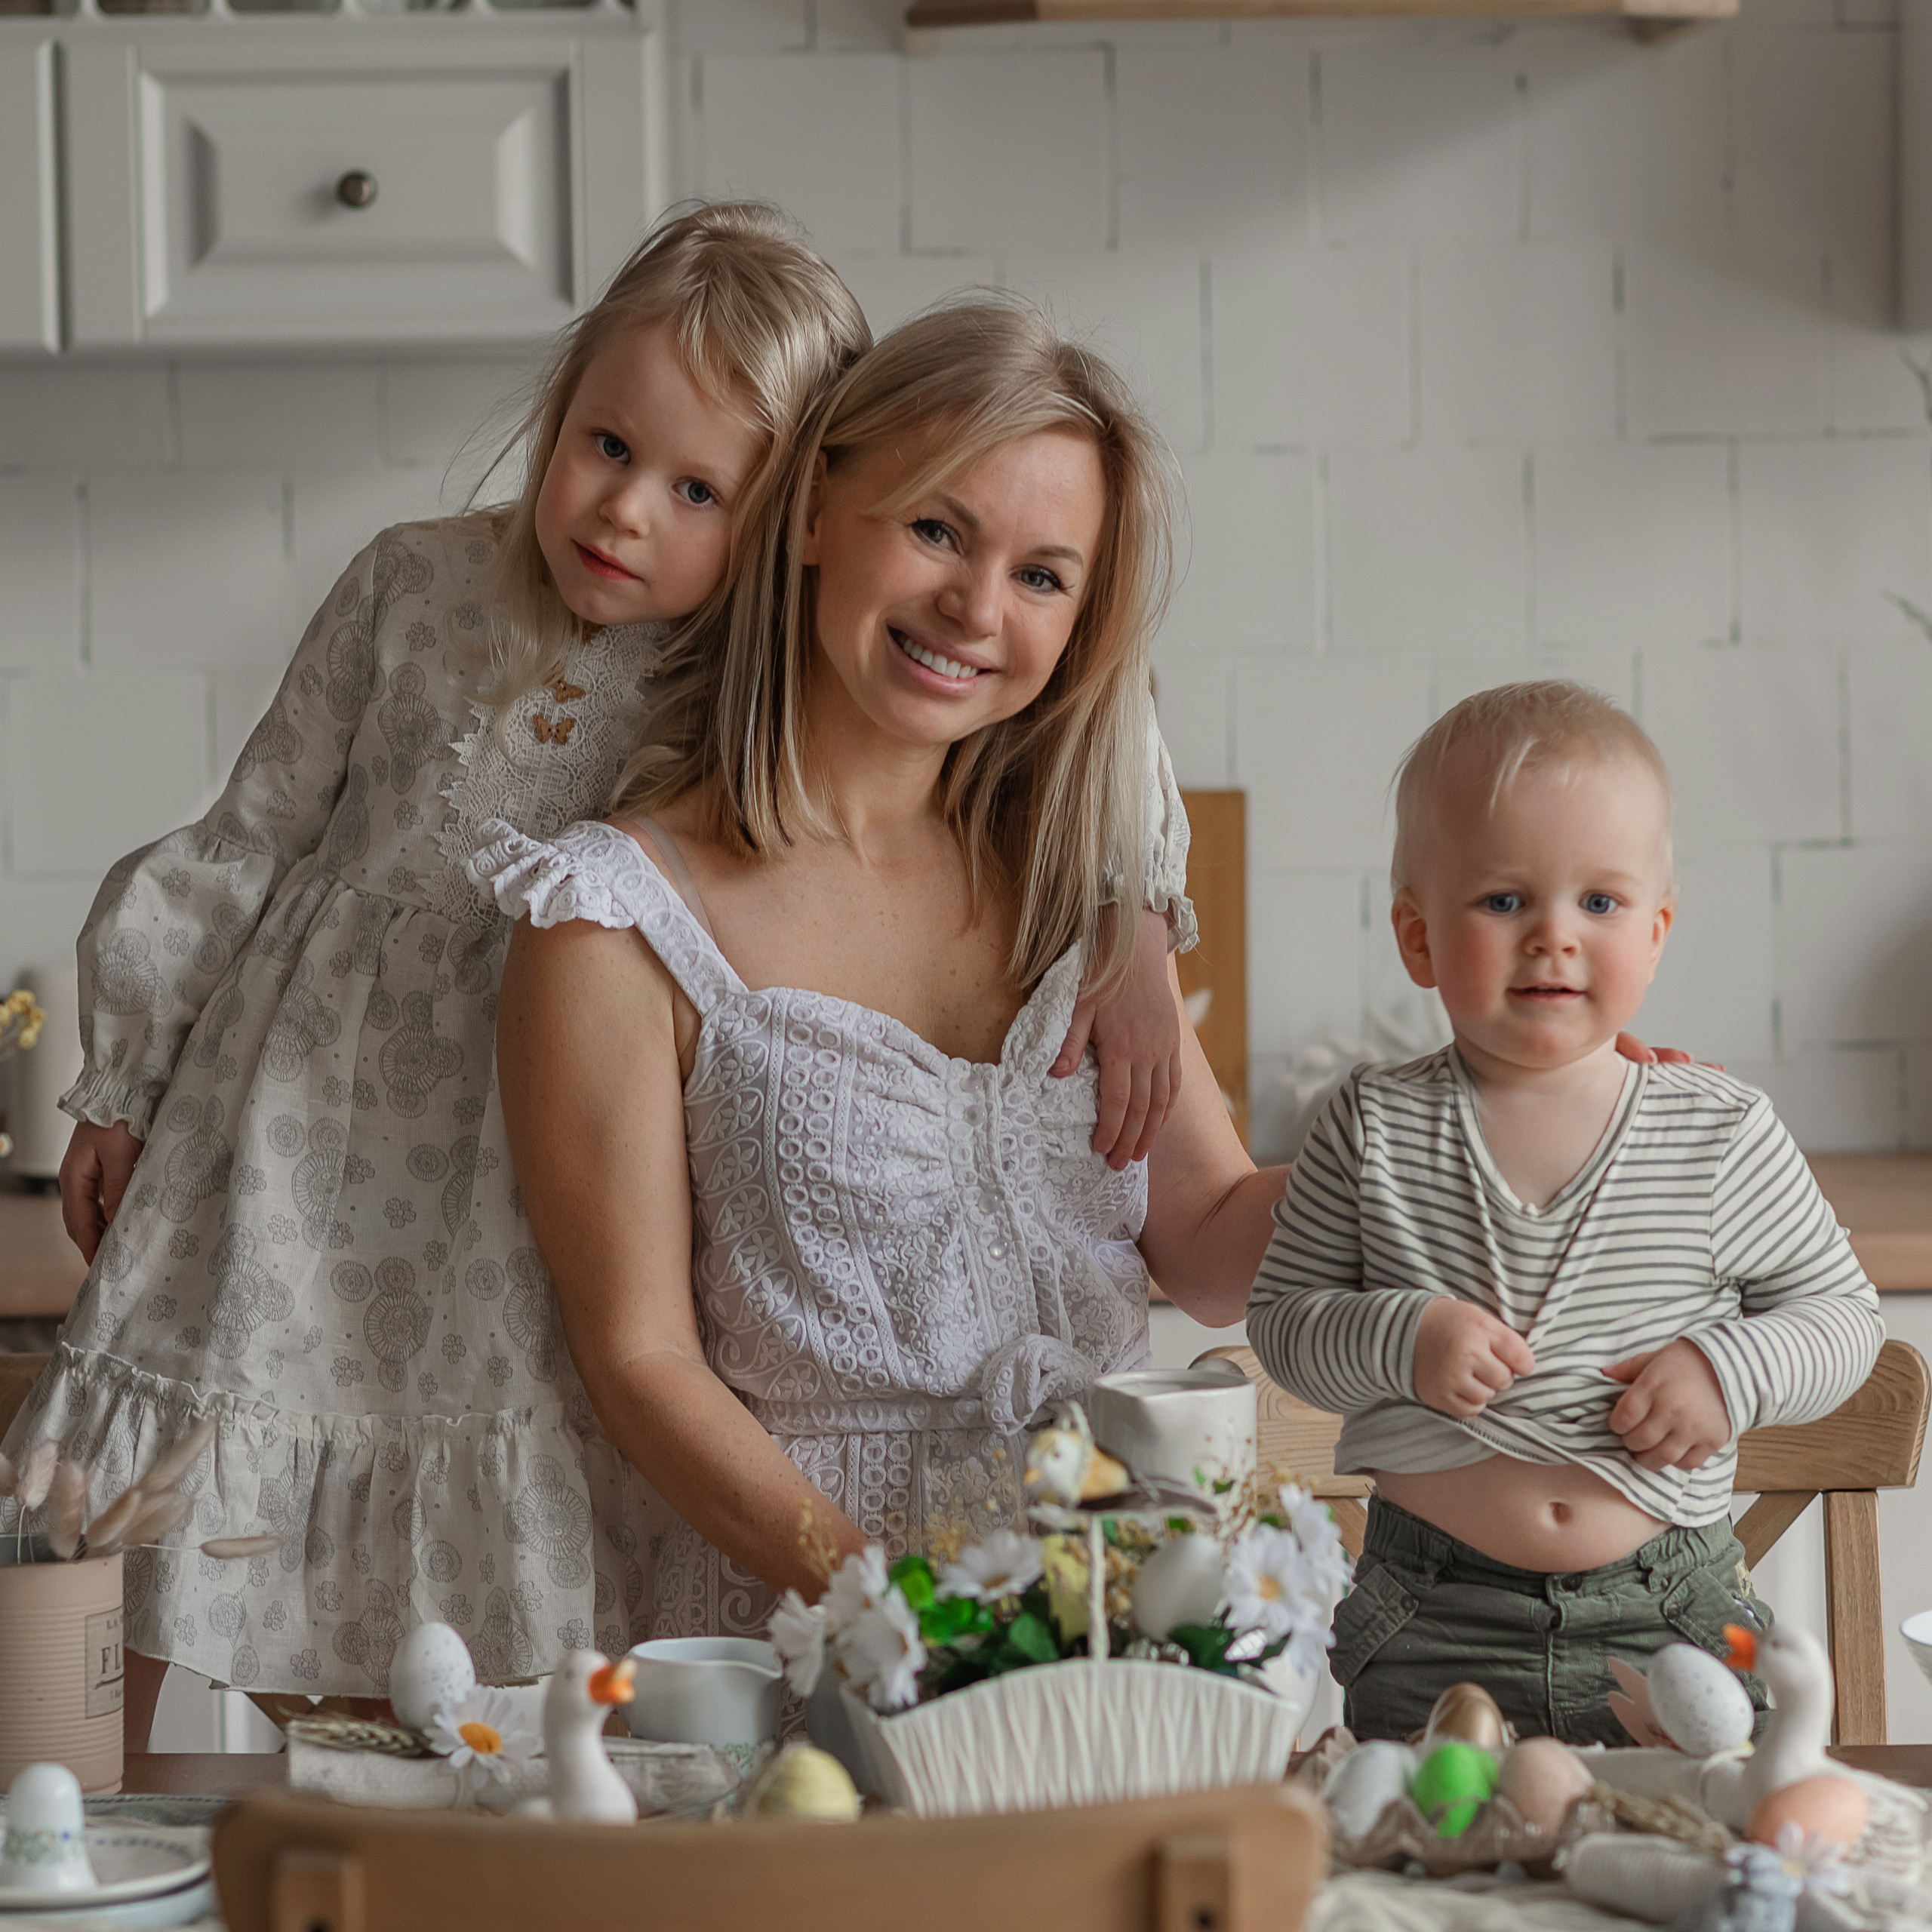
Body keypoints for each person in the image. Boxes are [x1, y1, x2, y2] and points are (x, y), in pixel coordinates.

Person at [478, 300, 1290, 1638]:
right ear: (809, 516)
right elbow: (639, 1364)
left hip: (1112, 1623)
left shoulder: (1080, 895)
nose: (976, 609)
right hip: (813, 1635)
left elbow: (1208, 1250)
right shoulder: (611, 916)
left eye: (1043, 575)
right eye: (936, 529)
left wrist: (1444, 1126)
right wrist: (896, 1601)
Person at [1247, 681, 1884, 1746]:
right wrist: (1404, 1339)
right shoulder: (1370, 1123)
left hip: (1672, 1611)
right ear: (1417, 938)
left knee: (1701, 1855)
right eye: (1505, 902)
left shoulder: (1718, 1129)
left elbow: (1845, 1320)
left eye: (1600, 902)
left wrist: (1729, 1371)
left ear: (1658, 929)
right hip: (1431, 1610)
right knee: (1425, 1869)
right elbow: (1284, 1324)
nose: (1554, 937)